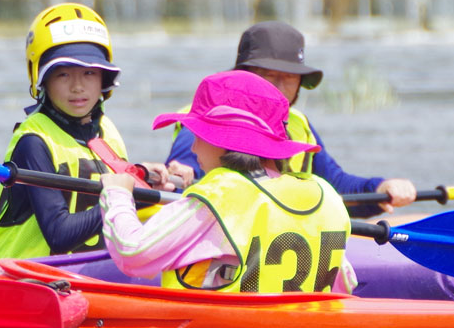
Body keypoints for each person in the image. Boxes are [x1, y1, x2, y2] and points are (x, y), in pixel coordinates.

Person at [101, 70, 354, 293]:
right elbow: (344, 285)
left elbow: (132, 253)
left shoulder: (218, 196)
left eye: (200, 133)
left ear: (224, 141)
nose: (194, 146)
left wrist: (117, 194)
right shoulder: (325, 195)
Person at [0, 3, 194, 261]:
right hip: (28, 279)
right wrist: (125, 194)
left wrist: (156, 183)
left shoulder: (107, 132)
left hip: (85, 276)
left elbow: (120, 206)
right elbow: (59, 234)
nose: (77, 87)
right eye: (63, 74)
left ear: (103, 79)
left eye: (88, 72)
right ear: (42, 80)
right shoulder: (34, 142)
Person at [166, 21, 416, 218]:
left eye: (288, 77)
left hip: (279, 235)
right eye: (267, 75)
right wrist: (179, 171)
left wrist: (380, 189)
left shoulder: (298, 125)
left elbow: (335, 188)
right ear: (243, 76)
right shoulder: (207, 116)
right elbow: (182, 170)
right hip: (224, 237)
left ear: (300, 83)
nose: (277, 87)